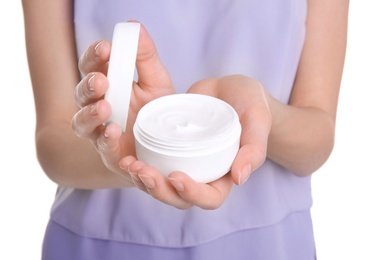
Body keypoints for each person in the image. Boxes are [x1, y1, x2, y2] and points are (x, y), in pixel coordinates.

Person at [22, 0, 349, 259]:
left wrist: (261, 114)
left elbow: (319, 132)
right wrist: (128, 146)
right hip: (98, 244)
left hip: (266, 246)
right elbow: (54, 139)